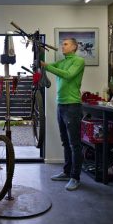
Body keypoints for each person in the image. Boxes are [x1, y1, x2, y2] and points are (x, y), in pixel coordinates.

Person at [40, 38, 85, 191]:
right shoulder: (63, 61)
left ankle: (75, 177)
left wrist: (47, 67)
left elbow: (67, 75)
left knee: (74, 144)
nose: (62, 46)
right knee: (65, 142)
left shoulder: (78, 61)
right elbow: (49, 66)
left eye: (65, 44)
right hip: (61, 105)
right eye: (62, 44)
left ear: (74, 46)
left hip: (72, 106)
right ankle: (67, 172)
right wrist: (40, 60)